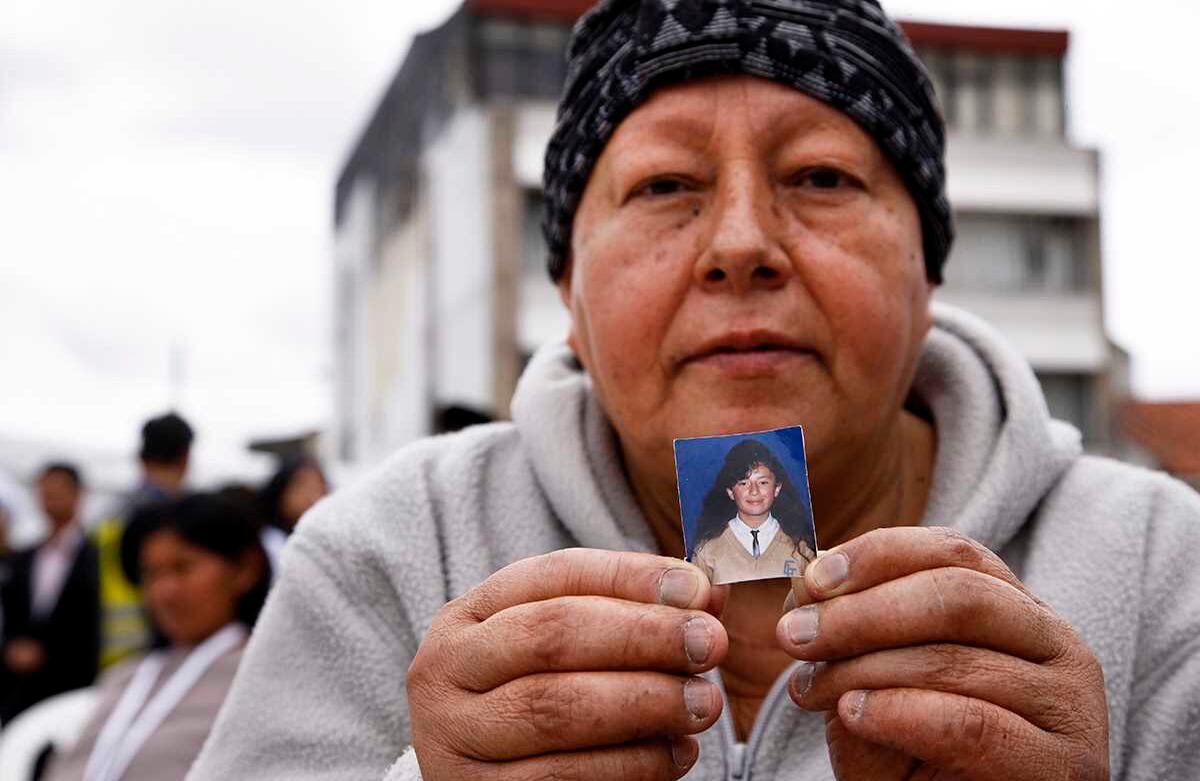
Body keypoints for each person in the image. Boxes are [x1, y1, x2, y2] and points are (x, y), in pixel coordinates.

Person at [189, 2, 1200, 780]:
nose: (741, 244)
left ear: (927, 270)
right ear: (568, 290)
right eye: (665, 185)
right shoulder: (392, 548)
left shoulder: (1164, 569)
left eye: (822, 177)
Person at [45, 493, 268, 781]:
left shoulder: (262, 676)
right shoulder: (127, 676)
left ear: (245, 570)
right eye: (151, 574)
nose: (164, 592)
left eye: (183, 568)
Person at [0, 463, 100, 725]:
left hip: (71, 688)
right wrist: (13, 648)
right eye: (44, 491)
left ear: (77, 494)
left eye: (58, 490)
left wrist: (48, 655)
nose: (50, 498)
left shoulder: (97, 557)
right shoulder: (23, 558)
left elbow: (91, 624)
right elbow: (11, 617)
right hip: (19, 693)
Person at [93, 412, 194, 670]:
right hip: (161, 652)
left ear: (141, 457)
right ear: (185, 458)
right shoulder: (181, 521)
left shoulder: (107, 514)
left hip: (101, 653)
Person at [691, 440, 816, 585]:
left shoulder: (801, 548)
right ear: (731, 492)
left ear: (776, 489)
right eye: (744, 483)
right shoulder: (706, 550)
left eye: (763, 482)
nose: (754, 491)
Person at [256, 456, 328, 574]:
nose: (312, 497)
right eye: (302, 487)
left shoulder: (322, 545)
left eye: (318, 487)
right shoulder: (268, 542)